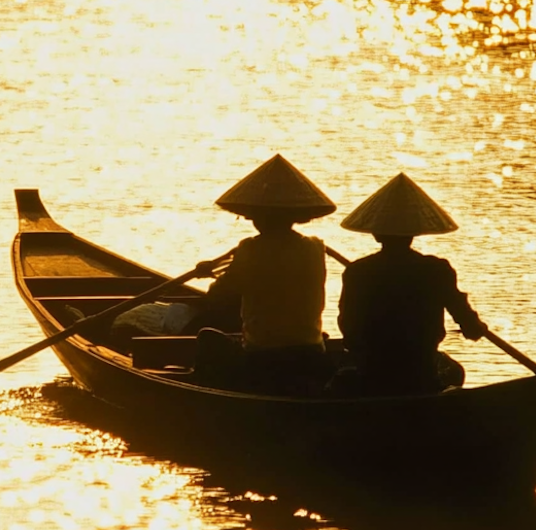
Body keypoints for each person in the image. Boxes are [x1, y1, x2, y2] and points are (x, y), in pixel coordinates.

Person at [195, 154, 337, 395]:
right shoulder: (315, 247)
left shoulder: (250, 248)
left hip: (263, 358)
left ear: (257, 218)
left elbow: (219, 295)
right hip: (311, 353)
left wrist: (211, 275)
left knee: (206, 338)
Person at [335, 173, 487, 395]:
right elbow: (469, 326)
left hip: (372, 372)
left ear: (376, 234)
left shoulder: (358, 271)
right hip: (420, 371)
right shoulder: (436, 270)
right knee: (454, 373)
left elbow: (348, 328)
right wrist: (476, 327)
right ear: (415, 232)